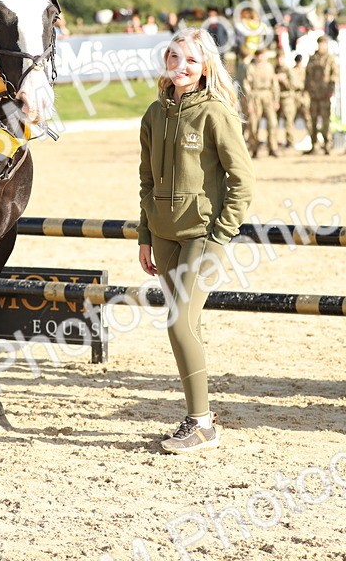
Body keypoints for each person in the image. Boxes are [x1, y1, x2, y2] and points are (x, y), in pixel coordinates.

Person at [137, 28, 255, 454]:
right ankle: (199, 415)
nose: (180, 65)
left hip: (203, 236)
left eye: (189, 59)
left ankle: (201, 423)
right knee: (185, 324)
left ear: (205, 67)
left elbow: (242, 179)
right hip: (163, 237)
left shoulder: (216, 114)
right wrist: (145, 235)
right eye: (173, 57)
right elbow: (146, 180)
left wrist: (222, 232)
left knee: (179, 322)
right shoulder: (153, 114)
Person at [303, 35, 338, 154]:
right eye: (320, 43)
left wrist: (331, 90)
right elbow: (307, 76)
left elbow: (334, 75)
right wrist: (306, 90)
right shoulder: (313, 58)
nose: (321, 46)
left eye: (323, 43)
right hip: (313, 95)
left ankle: (327, 145)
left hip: (324, 95)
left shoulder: (330, 58)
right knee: (312, 121)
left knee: (325, 121)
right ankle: (314, 145)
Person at [276, 52, 305, 149]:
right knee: (275, 121)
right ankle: (275, 142)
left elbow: (293, 85)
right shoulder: (275, 69)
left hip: (287, 98)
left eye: (281, 58)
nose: (280, 61)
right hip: (276, 98)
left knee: (289, 120)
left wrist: (283, 80)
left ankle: (290, 141)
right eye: (278, 58)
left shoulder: (288, 70)